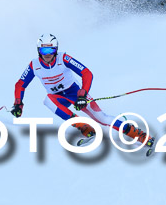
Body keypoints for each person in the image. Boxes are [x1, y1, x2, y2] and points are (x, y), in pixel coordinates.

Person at [11, 34, 153, 147]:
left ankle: (139, 135)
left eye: (51, 50)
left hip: (75, 93)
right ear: (38, 51)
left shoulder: (64, 58)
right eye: (43, 50)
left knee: (102, 118)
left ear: (56, 50)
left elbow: (86, 73)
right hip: (58, 98)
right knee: (47, 100)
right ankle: (86, 128)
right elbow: (20, 84)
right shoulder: (34, 65)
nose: (47, 54)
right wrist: (18, 103)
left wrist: (83, 94)